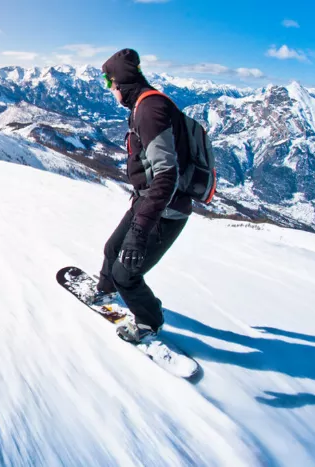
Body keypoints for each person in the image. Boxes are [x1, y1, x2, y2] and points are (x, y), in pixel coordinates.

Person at [92, 49, 192, 344]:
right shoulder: (142, 106)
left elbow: (166, 175)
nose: (109, 92)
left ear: (120, 83)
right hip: (146, 201)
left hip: (167, 209)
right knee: (112, 248)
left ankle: (150, 322)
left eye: (108, 85)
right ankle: (107, 289)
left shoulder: (150, 110)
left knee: (127, 273)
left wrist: (139, 232)